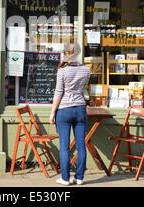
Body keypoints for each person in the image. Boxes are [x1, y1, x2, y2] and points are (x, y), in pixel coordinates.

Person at [49, 42, 90, 185]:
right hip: (80, 108)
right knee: (81, 145)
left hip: (64, 110)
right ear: (78, 53)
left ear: (66, 53)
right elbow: (83, 88)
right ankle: (79, 178)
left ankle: (65, 178)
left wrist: (52, 112)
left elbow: (58, 92)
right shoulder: (86, 70)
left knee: (64, 146)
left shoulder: (62, 71)